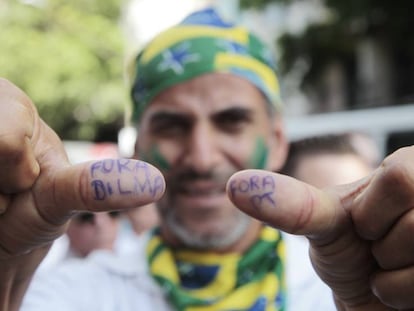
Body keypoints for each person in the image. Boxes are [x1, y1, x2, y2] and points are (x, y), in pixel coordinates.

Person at [1, 7, 414, 311]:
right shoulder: (69, 296)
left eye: (231, 122)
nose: (201, 158)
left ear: (276, 141)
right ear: (137, 148)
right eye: (172, 126)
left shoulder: (352, 284)